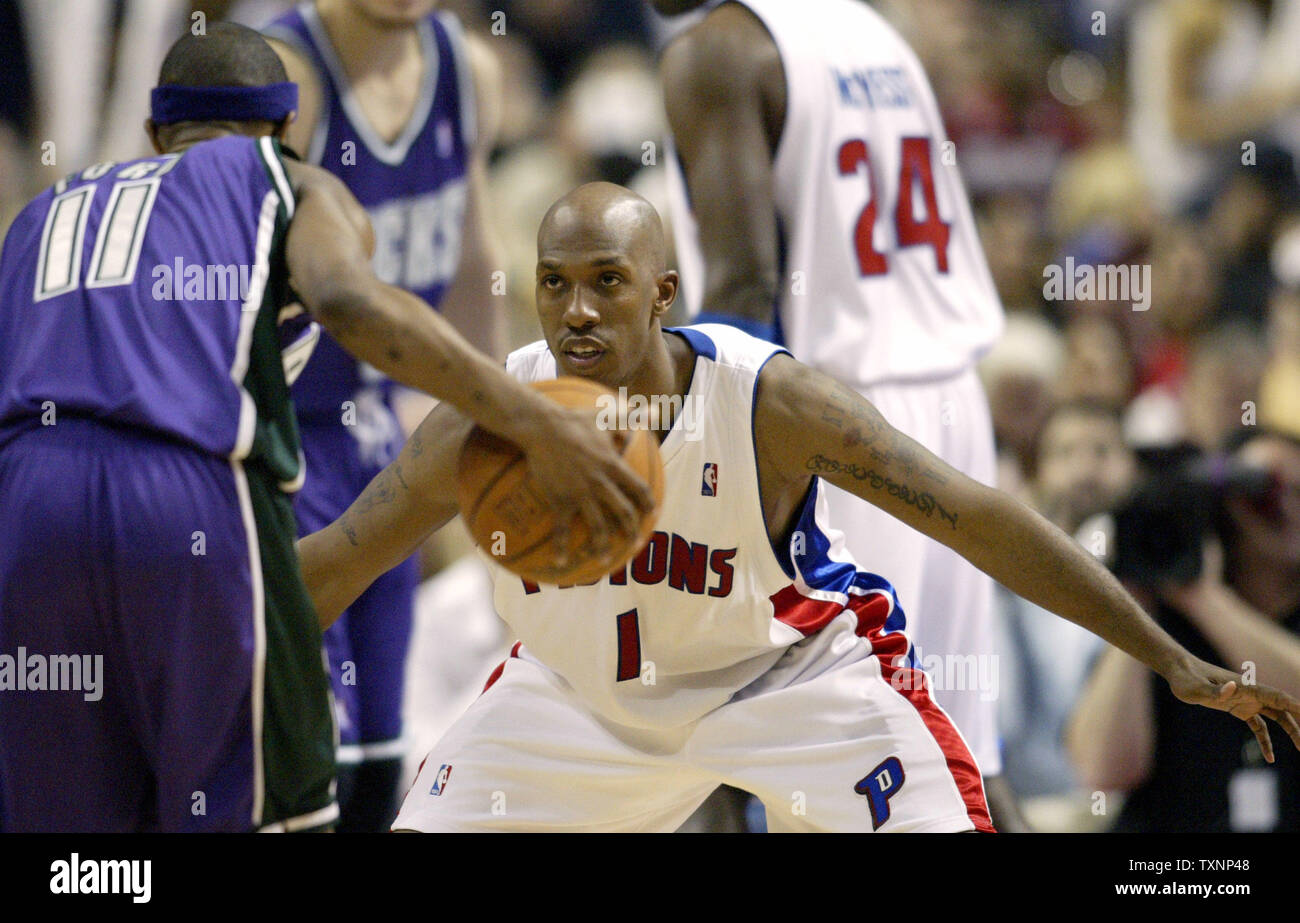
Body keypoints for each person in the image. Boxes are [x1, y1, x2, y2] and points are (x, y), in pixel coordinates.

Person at [297, 183, 1300, 832]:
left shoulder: (773, 404)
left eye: (607, 281)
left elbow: (978, 517)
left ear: (663, 291)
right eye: (554, 285)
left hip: (790, 678)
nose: (577, 310)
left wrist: (1166, 655)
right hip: (572, 699)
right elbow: (338, 559)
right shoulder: (484, 420)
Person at [0, 26, 652, 833]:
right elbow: (349, 299)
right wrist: (531, 418)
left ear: (155, 135)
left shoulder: (40, 214)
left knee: (77, 839)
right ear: (287, 133)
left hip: (27, 508)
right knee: (272, 806)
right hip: (183, 493)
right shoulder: (289, 182)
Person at [652, 0, 1014, 821]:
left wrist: (703, 480)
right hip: (951, 402)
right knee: (957, 758)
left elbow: (742, 288)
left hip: (838, 419)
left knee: (790, 767)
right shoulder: (870, 29)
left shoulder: (715, 52)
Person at [261, 0, 504, 831]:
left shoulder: (470, 70)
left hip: (381, 440)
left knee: (380, 761)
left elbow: (473, 268)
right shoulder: (288, 73)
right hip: (278, 439)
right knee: (302, 763)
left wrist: (504, 421)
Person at [1068, 428, 1300, 831]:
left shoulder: (1199, 601)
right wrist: (1137, 607)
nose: (1287, 507)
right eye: (1265, 492)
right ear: (1223, 508)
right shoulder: (1163, 622)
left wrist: (1206, 600)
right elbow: (1103, 771)